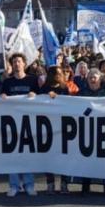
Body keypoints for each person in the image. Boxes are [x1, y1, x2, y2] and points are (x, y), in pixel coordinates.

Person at [0, 53, 39, 197]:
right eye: (14, 62)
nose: (17, 64)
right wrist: (2, 97)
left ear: (24, 64)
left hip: (28, 123)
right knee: (13, 155)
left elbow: (42, 98)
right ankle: (14, 185)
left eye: (19, 61)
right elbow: (0, 98)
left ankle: (29, 185)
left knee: (27, 154)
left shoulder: (32, 80)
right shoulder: (7, 82)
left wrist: (35, 94)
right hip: (12, 123)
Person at [76, 68, 105, 196]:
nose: (92, 79)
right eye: (90, 77)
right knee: (86, 158)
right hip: (87, 130)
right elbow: (71, 105)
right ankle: (85, 185)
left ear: (100, 79)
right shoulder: (82, 93)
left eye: (95, 77)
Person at [39, 66, 71, 194]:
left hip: (63, 126)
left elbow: (69, 104)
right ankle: (50, 183)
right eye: (56, 73)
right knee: (49, 156)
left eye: (60, 73)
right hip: (48, 127)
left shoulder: (65, 88)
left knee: (64, 156)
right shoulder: (44, 88)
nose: (58, 75)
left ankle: (64, 183)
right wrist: (47, 96)